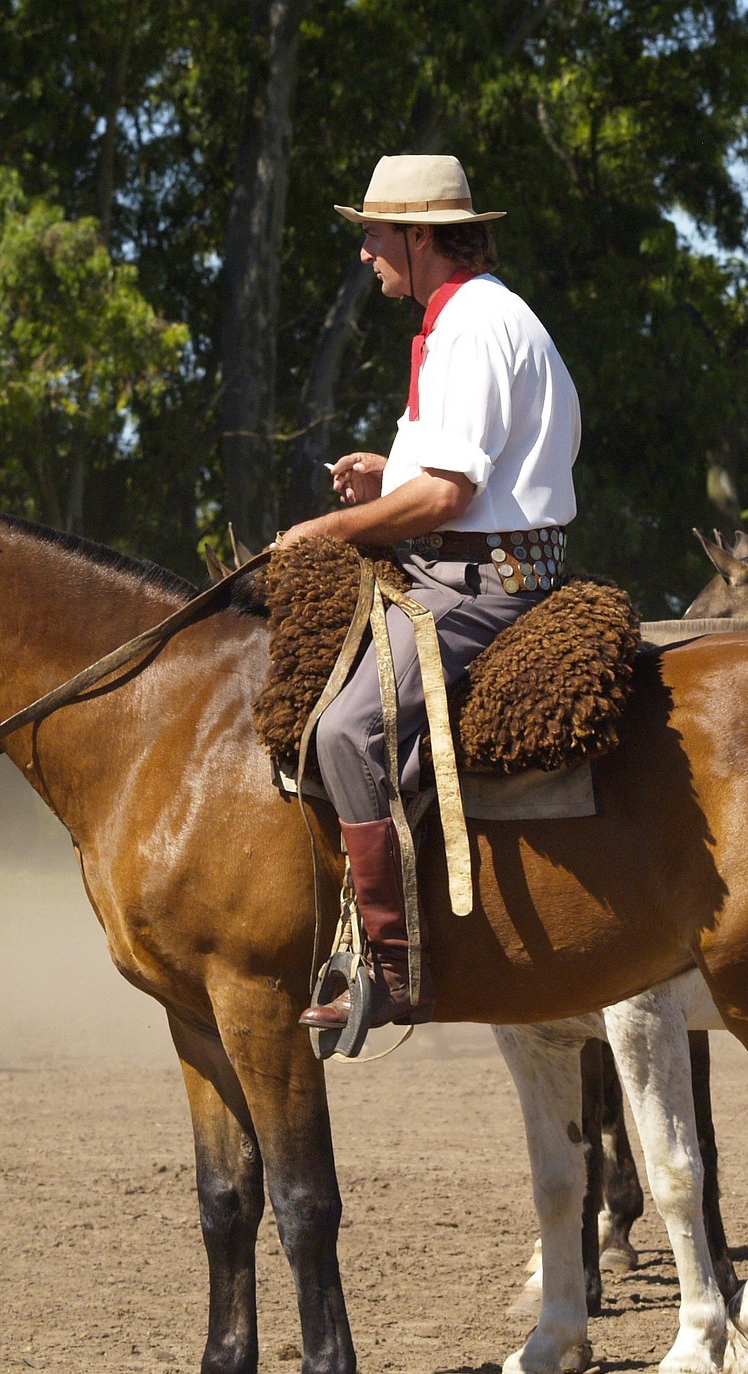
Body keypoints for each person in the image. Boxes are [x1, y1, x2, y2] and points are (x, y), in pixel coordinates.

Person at [286, 153, 580, 1034]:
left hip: (483, 590)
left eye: (374, 234)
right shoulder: (467, 318)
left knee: (347, 729)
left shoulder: (474, 326)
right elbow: (456, 472)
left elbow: (451, 498)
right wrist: (390, 472)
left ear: (421, 237)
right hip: (459, 566)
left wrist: (319, 533)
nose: (364, 252)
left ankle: (394, 964)